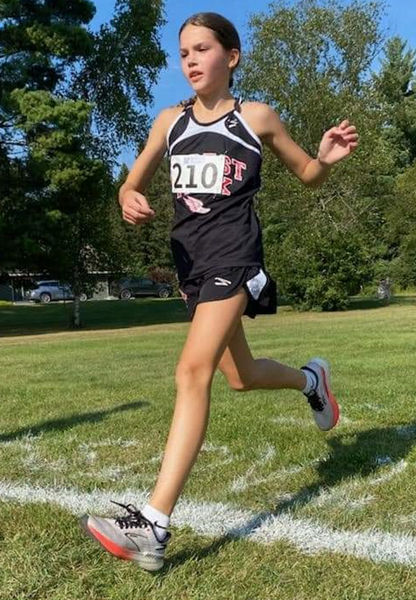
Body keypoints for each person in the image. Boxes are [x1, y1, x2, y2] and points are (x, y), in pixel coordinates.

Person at [80, 12, 359, 571]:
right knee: (240, 376)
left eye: (202, 49)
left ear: (230, 56)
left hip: (236, 258)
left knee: (192, 370)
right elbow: (131, 180)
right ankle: (312, 380)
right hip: (192, 265)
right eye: (183, 52)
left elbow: (306, 173)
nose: (190, 60)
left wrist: (324, 159)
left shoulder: (254, 117)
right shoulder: (168, 122)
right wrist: (127, 196)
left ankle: (154, 524)